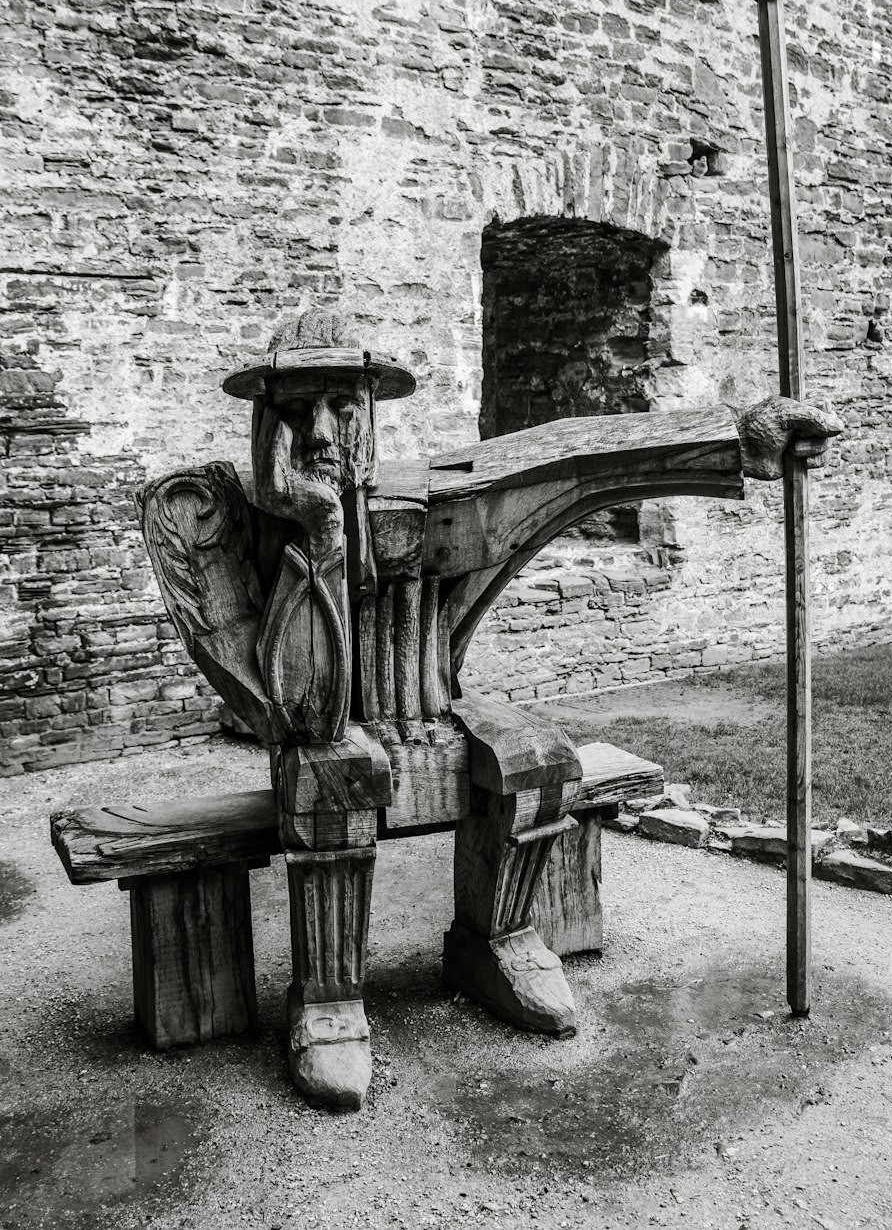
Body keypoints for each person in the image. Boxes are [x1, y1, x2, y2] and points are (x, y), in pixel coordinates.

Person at [142, 307, 841, 1107]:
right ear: (266, 423)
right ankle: (329, 998)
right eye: (298, 412)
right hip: (328, 731)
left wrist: (739, 437)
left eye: (343, 407)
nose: (324, 434)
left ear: (371, 410)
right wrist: (323, 528)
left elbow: (579, 457)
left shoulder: (440, 495)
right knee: (331, 780)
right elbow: (300, 704)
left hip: (434, 714)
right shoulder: (229, 523)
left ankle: (497, 938)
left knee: (537, 758)